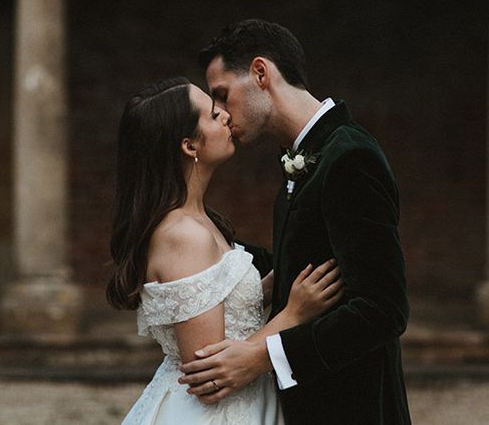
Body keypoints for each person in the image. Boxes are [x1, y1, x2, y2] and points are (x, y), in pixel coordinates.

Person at [178, 19, 410, 424]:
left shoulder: (350, 157)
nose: (222, 115)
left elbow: (382, 309)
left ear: (261, 73)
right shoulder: (305, 155)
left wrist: (260, 356)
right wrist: (201, 244)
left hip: (352, 408)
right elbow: (303, 261)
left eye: (223, 95)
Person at [108, 76, 344, 424]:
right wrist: (293, 314)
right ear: (190, 146)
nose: (225, 116)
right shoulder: (184, 235)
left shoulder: (201, 221)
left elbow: (225, 305)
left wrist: (280, 279)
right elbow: (209, 374)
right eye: (212, 113)